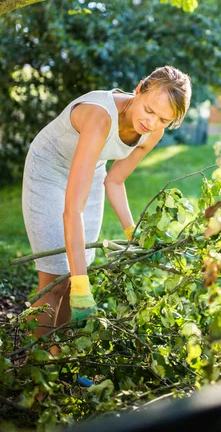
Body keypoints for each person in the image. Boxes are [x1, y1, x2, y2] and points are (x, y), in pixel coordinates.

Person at [22, 65, 192, 377]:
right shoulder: (100, 116)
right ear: (138, 89)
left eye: (163, 120)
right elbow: (71, 211)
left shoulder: (153, 130)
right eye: (149, 110)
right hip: (49, 170)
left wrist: (133, 232)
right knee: (55, 283)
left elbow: (114, 180)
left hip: (92, 167)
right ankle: (36, 372)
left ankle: (60, 362)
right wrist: (82, 284)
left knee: (75, 273)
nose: (150, 122)